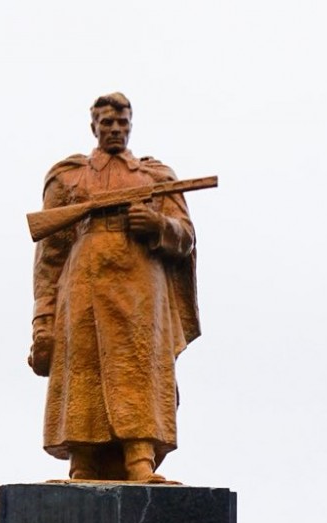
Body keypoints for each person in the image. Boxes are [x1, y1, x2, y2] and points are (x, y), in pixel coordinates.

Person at [30, 92, 200, 484]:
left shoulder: (155, 176)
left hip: (141, 287)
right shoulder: (69, 175)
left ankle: (139, 459)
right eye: (107, 123)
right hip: (83, 283)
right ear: (94, 126)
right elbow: (49, 254)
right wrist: (43, 318)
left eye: (122, 123)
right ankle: (82, 463)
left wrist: (158, 226)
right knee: (83, 366)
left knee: (139, 367)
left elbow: (186, 236)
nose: (115, 130)